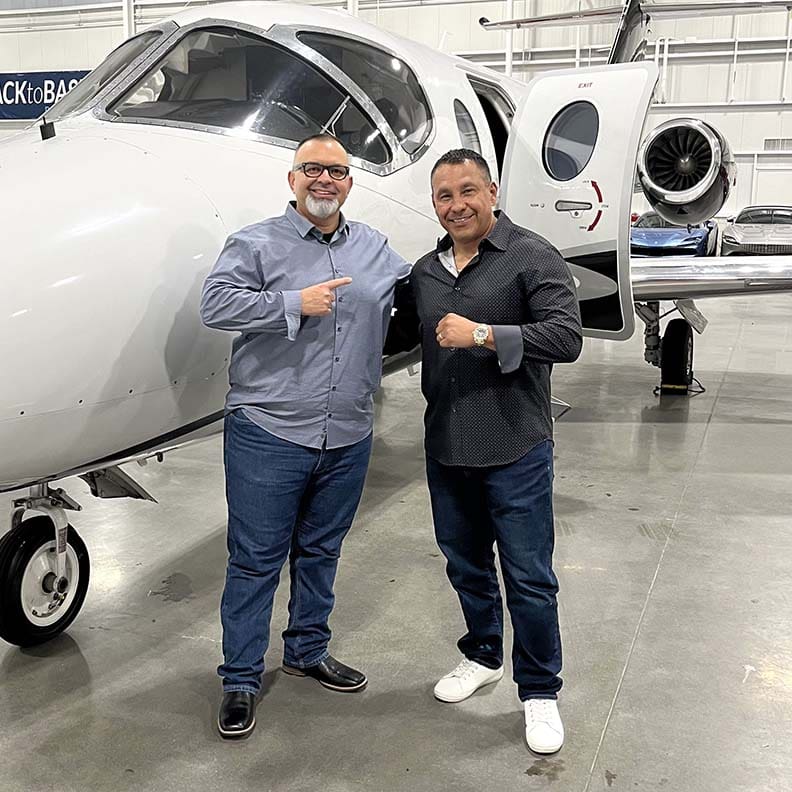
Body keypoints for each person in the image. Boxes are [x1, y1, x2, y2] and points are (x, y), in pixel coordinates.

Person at [200, 134, 411, 740]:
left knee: (321, 551)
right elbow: (216, 305)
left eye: (338, 172)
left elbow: (421, 290)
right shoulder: (255, 243)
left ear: (350, 182)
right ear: (292, 178)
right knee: (255, 561)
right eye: (313, 169)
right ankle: (240, 678)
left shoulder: (373, 247)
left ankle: (306, 649)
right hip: (270, 430)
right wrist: (294, 301)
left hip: (347, 431)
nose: (326, 180)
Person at [409, 149, 582, 754]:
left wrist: (482, 334)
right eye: (444, 196)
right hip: (447, 442)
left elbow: (566, 338)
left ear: (493, 192)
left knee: (530, 578)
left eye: (467, 191)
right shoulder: (426, 271)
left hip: (514, 444)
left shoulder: (531, 255)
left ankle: (539, 691)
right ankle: (482, 655)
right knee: (465, 566)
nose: (456, 205)